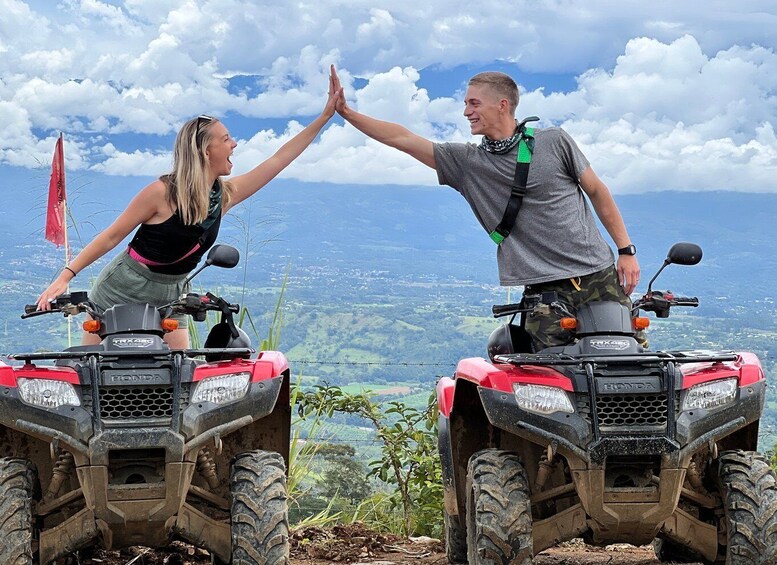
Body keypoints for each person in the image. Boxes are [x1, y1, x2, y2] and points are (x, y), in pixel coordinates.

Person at [329, 66, 641, 351]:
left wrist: (625, 251)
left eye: (474, 103)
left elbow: (598, 191)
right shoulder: (467, 163)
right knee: (546, 378)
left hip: (598, 274)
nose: (466, 111)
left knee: (629, 363)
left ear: (502, 105)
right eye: (466, 104)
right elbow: (402, 138)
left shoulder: (555, 142)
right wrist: (347, 113)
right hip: (545, 292)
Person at [37, 75, 340, 348]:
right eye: (225, 139)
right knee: (93, 372)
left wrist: (325, 117)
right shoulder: (161, 193)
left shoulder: (224, 196)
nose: (234, 144)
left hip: (171, 293)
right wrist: (64, 277)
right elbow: (112, 236)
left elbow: (277, 160)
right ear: (206, 152)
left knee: (179, 376)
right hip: (121, 289)